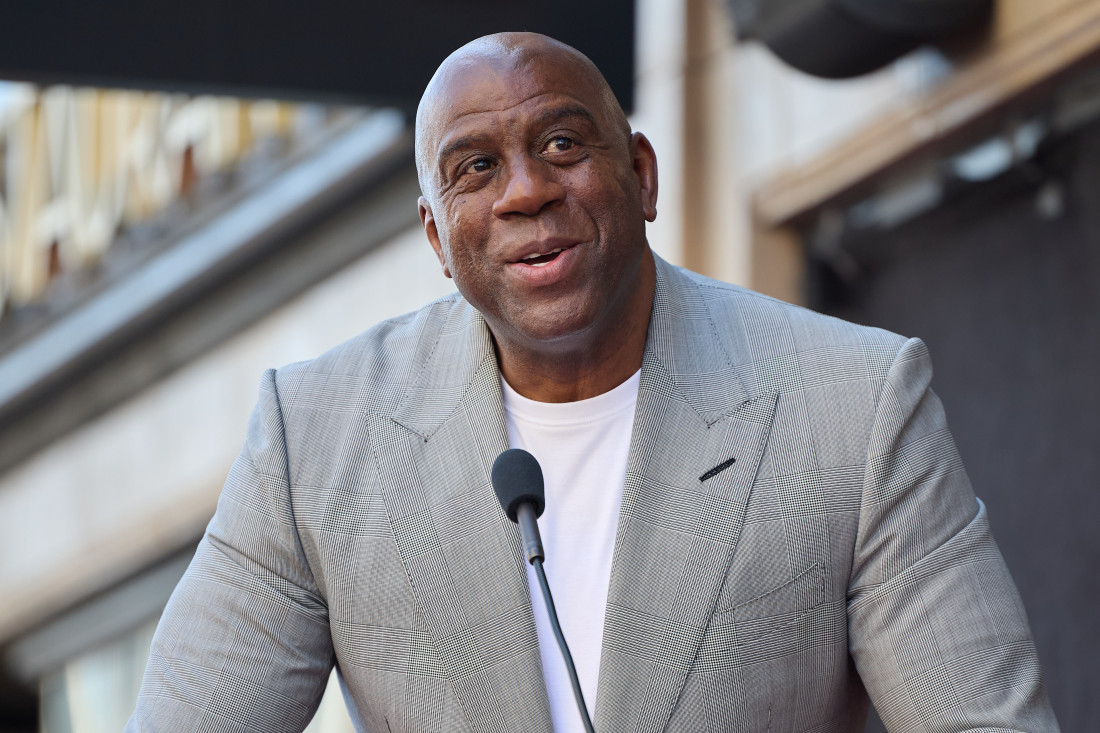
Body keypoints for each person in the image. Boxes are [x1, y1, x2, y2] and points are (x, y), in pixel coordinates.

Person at [127, 32, 1058, 732]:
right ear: (437, 238)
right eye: (476, 167)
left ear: (641, 176)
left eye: (564, 143)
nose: (525, 190)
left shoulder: (853, 402)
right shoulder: (314, 441)